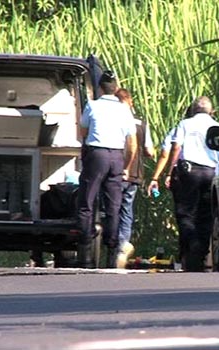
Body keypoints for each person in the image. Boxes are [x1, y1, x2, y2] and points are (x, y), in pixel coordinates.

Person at [77, 70, 137, 268]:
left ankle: (85, 249)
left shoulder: (92, 106)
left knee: (87, 201)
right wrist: (126, 166)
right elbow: (132, 144)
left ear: (100, 88)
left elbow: (82, 132)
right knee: (114, 206)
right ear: (116, 89)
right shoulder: (124, 110)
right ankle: (111, 251)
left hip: (97, 154)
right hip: (117, 156)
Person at [167, 96, 219, 272]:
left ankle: (191, 247)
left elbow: (176, 147)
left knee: (186, 213)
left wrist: (170, 171)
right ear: (211, 111)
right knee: (206, 214)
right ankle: (200, 254)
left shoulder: (185, 124)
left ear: (193, 109)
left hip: (190, 171)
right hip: (211, 173)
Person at [115, 88, 154, 268]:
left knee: (112, 208)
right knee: (127, 209)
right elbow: (149, 150)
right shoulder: (141, 123)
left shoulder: (112, 119)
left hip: (115, 171)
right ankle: (123, 244)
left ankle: (114, 244)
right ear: (130, 102)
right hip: (134, 174)